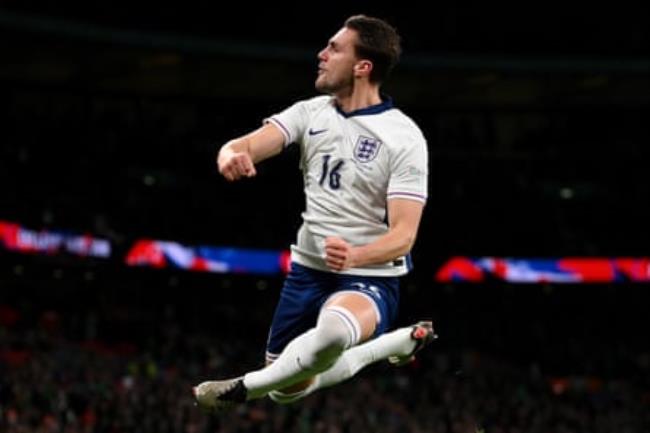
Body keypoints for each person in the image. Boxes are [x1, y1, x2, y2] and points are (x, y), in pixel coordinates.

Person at [194, 14, 435, 412]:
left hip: (370, 274)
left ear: (363, 67)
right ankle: (389, 346)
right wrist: (231, 156)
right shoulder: (310, 113)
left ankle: (243, 388)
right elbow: (243, 145)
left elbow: (404, 235)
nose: (321, 55)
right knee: (287, 388)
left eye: (334, 48)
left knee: (332, 334)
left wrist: (355, 256)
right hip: (307, 270)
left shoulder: (403, 137)